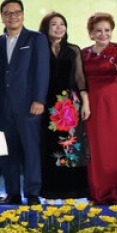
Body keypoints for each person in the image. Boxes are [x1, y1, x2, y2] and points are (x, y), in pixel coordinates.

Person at [0, 0, 50, 206]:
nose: (13, 16)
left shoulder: (36, 39)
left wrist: (39, 99)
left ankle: (32, 192)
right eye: (8, 13)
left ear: (23, 15)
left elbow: (42, 71)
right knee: (7, 151)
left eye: (16, 12)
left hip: (28, 106)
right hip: (3, 106)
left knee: (31, 150)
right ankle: (13, 192)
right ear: (2, 16)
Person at [82, 12, 117, 204]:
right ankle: (98, 191)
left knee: (116, 148)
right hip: (92, 106)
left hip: (114, 105)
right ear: (91, 33)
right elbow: (79, 80)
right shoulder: (84, 53)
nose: (103, 34)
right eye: (99, 31)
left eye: (107, 30)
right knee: (96, 149)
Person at [38, 12, 90, 199]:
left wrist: (85, 103)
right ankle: (51, 188)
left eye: (62, 24)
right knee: (49, 145)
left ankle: (73, 188)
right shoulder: (39, 49)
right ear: (46, 28)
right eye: (54, 24)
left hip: (68, 104)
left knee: (70, 146)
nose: (59, 28)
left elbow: (80, 78)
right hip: (45, 103)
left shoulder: (73, 50)